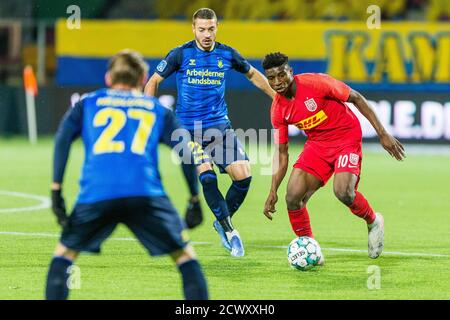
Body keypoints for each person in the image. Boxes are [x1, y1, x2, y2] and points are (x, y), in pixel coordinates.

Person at [46, 49, 208, 300]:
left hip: (97, 194)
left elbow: (62, 139)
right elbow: (185, 151)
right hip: (145, 194)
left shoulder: (87, 103)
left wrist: (56, 190)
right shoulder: (157, 109)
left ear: (108, 78)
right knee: (185, 257)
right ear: (143, 79)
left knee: (64, 254)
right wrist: (194, 199)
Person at [145, 8, 275, 257]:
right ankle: (230, 231)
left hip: (219, 128)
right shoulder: (180, 54)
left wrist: (278, 98)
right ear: (193, 29)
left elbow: (253, 75)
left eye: (211, 29)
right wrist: (147, 114)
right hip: (187, 131)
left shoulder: (227, 53)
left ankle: (221, 219)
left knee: (243, 176)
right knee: (206, 174)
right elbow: (153, 82)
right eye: (202, 29)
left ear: (217, 28)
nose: (206, 34)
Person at [262, 52, 405, 260]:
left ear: (290, 71)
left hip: (347, 137)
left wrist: (382, 133)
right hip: (317, 145)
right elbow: (282, 153)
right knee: (292, 197)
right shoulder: (278, 109)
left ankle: (373, 221)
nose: (277, 82)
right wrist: (272, 189)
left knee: (343, 192)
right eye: (271, 78)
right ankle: (311, 250)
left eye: (281, 75)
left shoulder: (316, 83)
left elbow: (356, 97)